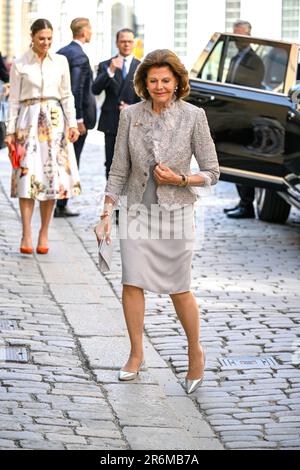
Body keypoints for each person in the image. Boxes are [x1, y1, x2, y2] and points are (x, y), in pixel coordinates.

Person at [94, 49, 220, 394]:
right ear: (144, 83)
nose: (160, 86)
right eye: (153, 81)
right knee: (132, 281)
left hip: (177, 213)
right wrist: (106, 211)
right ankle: (136, 354)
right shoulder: (130, 116)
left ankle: (195, 351)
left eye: (166, 80)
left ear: (178, 82)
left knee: (179, 287)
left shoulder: (194, 116)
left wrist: (180, 179)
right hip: (136, 211)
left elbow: (212, 172)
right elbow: (118, 169)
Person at [5, 18, 80, 254]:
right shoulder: (19, 63)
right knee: (27, 178)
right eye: (41, 38)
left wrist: (73, 123)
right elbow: (14, 99)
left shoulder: (61, 61)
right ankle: (26, 233)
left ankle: (43, 233)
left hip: (55, 123)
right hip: (27, 121)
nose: (46, 42)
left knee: (53, 179)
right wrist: (10, 132)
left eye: (49, 38)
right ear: (32, 37)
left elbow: (67, 95)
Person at [54, 17, 96, 218]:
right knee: (71, 159)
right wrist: (78, 120)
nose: (91, 33)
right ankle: (61, 204)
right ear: (84, 32)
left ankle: (56, 200)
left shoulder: (62, 52)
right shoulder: (79, 56)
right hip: (73, 119)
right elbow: (76, 89)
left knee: (59, 158)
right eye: (90, 29)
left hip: (58, 115)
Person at [224, 20, 264, 219]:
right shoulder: (235, 58)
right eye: (235, 35)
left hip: (245, 117)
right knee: (234, 160)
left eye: (240, 35)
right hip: (233, 116)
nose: (237, 39)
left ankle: (247, 206)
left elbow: (249, 88)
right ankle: (242, 202)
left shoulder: (255, 61)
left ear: (249, 35)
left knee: (242, 160)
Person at [92, 28, 141, 180]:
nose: (126, 44)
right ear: (117, 43)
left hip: (136, 122)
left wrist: (132, 108)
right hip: (111, 121)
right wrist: (110, 70)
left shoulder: (142, 67)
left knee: (134, 163)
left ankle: (131, 200)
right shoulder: (106, 64)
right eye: (123, 41)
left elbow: (147, 96)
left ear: (134, 43)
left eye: (129, 41)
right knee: (111, 162)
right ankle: (112, 200)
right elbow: (95, 89)